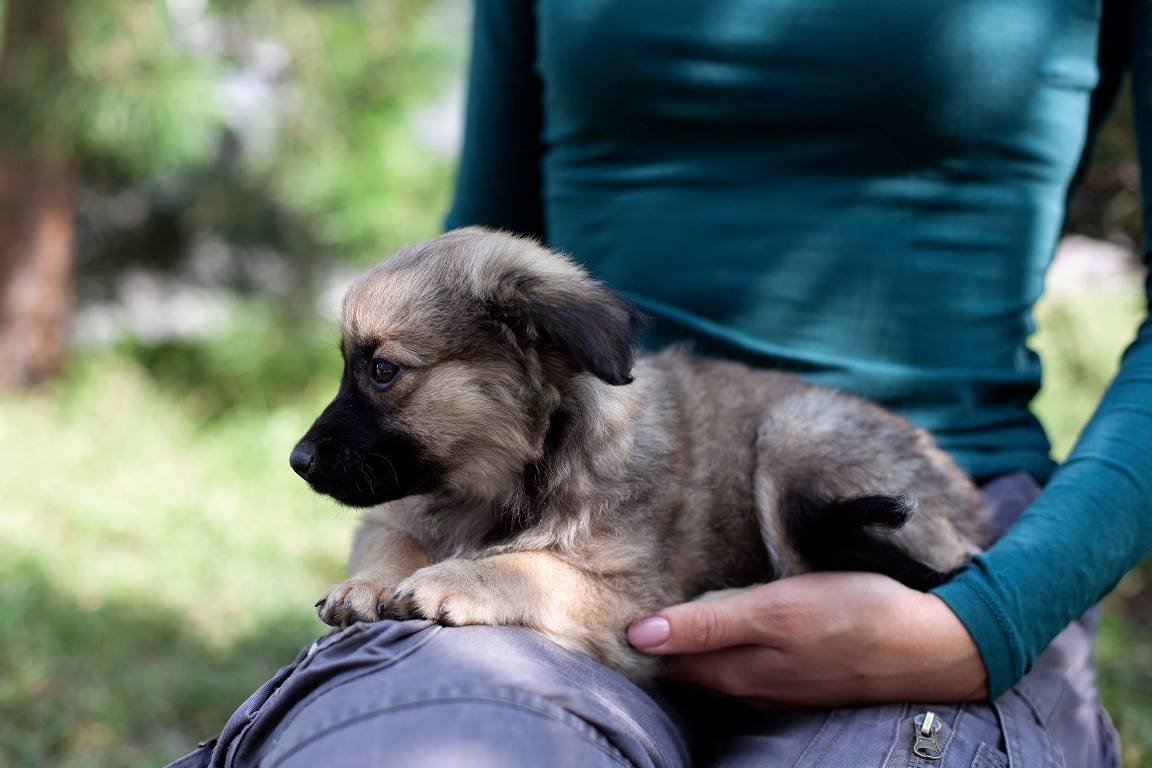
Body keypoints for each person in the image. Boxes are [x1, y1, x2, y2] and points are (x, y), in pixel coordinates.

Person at [169, 1, 1150, 765]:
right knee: (398, 746)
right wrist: (402, 533)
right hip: (549, 510)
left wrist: (984, 624)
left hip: (937, 561)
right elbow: (464, 261)